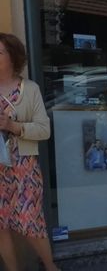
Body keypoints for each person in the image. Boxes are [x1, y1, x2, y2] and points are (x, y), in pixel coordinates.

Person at [0, 33, 59, 271]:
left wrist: (14, 126)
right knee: (0, 225)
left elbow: (44, 130)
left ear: (12, 57)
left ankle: (50, 267)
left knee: (31, 222)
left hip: (24, 168)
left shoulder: (30, 89)